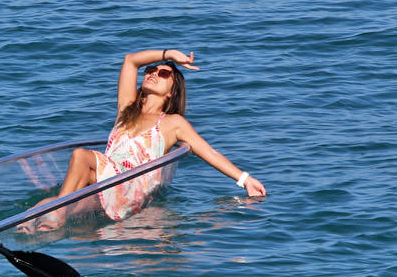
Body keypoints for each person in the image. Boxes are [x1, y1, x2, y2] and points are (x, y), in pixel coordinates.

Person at [25, 48, 266, 231]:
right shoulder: (126, 110)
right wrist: (167, 53)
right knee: (39, 211)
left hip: (130, 189)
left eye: (163, 74)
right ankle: (33, 229)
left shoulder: (172, 123)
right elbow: (131, 60)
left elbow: (209, 153)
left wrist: (245, 180)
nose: (153, 73)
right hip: (106, 184)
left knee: (79, 156)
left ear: (172, 92)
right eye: (151, 70)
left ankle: (57, 212)